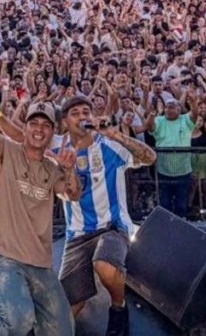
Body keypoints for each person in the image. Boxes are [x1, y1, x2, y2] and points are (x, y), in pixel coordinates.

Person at [0, 61, 81, 336]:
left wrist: (70, 170)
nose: (39, 129)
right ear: (26, 127)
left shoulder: (52, 168)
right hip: (3, 256)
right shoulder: (5, 150)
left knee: (63, 330)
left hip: (39, 261)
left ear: (53, 132)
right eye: (34, 122)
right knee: (18, 321)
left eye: (46, 125)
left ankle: (8, 309)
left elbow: (72, 194)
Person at [55, 94, 156, 336]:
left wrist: (116, 134)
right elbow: (69, 195)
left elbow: (150, 158)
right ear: (65, 122)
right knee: (66, 309)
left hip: (113, 226)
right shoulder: (60, 155)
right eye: (75, 113)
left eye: (86, 112)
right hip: (78, 235)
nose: (82, 117)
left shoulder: (110, 145)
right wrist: (68, 169)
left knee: (105, 265)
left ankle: (118, 307)